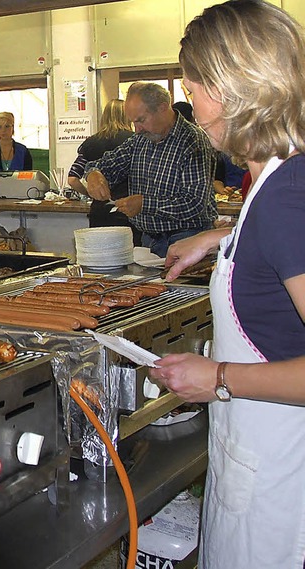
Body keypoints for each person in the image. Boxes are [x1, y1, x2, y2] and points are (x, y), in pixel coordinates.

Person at [147, 2, 305, 568]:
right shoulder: (277, 176)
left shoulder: (288, 196)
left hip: (279, 477)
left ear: (237, 87)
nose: (190, 97)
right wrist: (220, 236)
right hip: (255, 450)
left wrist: (215, 377)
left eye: (195, 82)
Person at [84, 81, 217, 257]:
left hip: (188, 239)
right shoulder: (140, 140)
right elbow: (106, 164)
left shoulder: (193, 141)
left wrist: (145, 204)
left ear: (163, 108)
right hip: (148, 240)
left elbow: (193, 203)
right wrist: (94, 174)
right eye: (133, 122)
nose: (137, 129)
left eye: (141, 120)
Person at [68, 98, 139, 243]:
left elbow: (72, 179)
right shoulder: (135, 141)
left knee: (100, 258)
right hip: (129, 210)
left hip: (100, 212)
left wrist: (90, 193)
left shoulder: (91, 143)